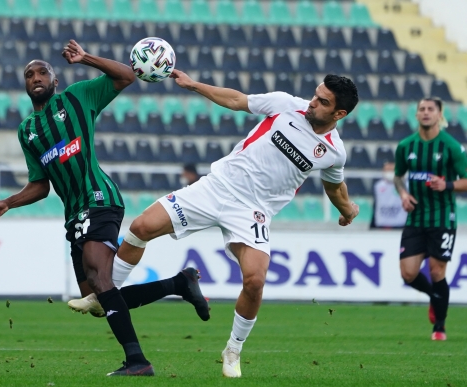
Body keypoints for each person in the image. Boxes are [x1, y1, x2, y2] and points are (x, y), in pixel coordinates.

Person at [69, 70, 360, 377]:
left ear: (339, 113)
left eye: (322, 101)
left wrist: (349, 210)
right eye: (315, 94)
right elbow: (237, 100)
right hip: (216, 188)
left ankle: (233, 350)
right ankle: (102, 296)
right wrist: (194, 85)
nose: (312, 102)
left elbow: (334, 187)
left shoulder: (333, 152)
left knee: (255, 281)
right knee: (141, 227)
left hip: (253, 212)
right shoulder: (286, 105)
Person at [0, 41, 208, 376]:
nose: (36, 77)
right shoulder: (27, 131)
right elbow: (40, 185)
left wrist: (85, 58)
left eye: (42, 71)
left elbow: (125, 77)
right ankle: (179, 284)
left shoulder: (77, 97)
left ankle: (138, 362)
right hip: (73, 213)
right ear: (25, 84)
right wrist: (8, 203)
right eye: (29, 74)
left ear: (55, 79)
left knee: (101, 279)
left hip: (99, 198)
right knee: (98, 301)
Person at [393, 97, 467, 341]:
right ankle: (435, 298)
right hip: (415, 218)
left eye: (430, 109)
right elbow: (398, 176)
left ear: (439, 114)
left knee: (437, 273)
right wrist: (403, 194)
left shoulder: (451, 146)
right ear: (416, 115)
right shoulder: (406, 146)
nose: (425, 113)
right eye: (421, 109)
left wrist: (446, 184)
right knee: (408, 274)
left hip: (443, 217)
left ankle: (440, 328)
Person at [370, 162, 407, 229]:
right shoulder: (378, 186)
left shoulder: (406, 185)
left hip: (399, 225)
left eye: (392, 170)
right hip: (381, 225)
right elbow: (375, 206)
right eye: (387, 170)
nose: (390, 173)